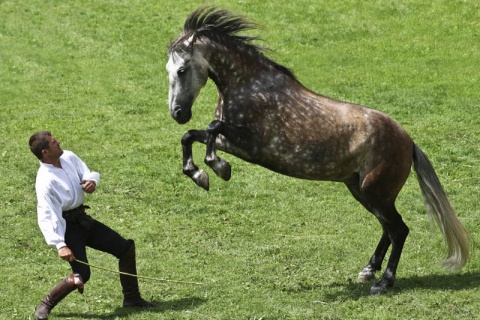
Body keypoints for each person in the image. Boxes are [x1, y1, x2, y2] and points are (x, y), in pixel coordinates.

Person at [29, 131, 154, 320]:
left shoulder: (68, 156)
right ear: (45, 152)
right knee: (82, 276)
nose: (59, 142)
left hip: (83, 221)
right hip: (67, 228)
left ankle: (132, 298)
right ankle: (45, 305)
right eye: (55, 142)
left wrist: (91, 181)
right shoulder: (45, 180)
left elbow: (88, 172)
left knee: (125, 249)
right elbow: (47, 213)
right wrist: (60, 245)